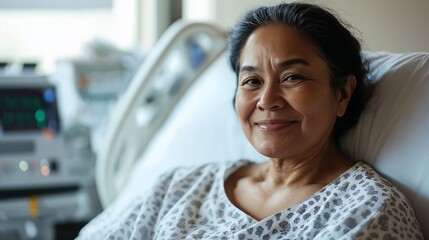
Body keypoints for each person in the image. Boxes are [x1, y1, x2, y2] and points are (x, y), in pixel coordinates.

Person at [76, 2, 423, 239]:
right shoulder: (182, 187)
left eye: (292, 78)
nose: (267, 100)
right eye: (252, 81)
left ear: (343, 93)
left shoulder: (367, 212)